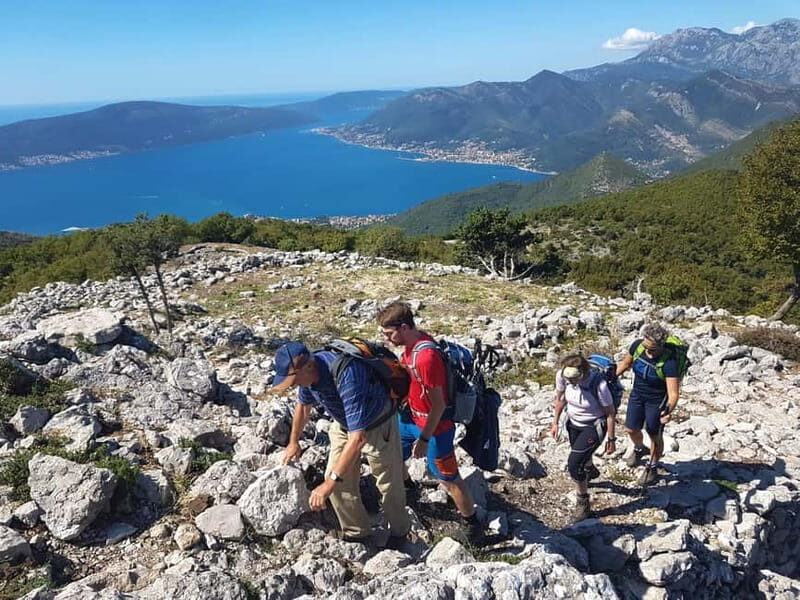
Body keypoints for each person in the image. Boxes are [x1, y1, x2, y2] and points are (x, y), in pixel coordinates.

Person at [274, 341, 411, 544]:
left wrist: (328, 484)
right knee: (337, 480)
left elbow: (358, 439)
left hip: (377, 423)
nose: (293, 385)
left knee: (388, 483)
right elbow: (303, 406)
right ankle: (358, 532)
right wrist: (294, 442)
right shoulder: (308, 378)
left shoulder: (346, 374)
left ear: (309, 366)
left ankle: (400, 533)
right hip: (345, 423)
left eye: (293, 380)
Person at [376, 301, 484, 543]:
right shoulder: (413, 344)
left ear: (404, 327)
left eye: (389, 333)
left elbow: (439, 404)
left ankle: (473, 525)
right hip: (410, 418)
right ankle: (409, 488)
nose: (387, 339)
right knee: (392, 452)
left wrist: (424, 438)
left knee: (447, 477)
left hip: (435, 428)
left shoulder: (425, 357)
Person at [550, 354, 617, 522]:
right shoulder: (563, 376)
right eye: (568, 379)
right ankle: (590, 470)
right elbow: (560, 399)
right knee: (581, 455)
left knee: (573, 464)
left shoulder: (598, 385)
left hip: (593, 426)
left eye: (574, 379)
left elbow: (610, 413)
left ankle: (583, 503)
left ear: (583, 372)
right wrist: (555, 422)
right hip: (573, 423)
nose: (571, 383)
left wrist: (611, 439)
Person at [616, 323, 680, 486]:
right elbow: (625, 364)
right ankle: (639, 448)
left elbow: (673, 393)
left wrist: (667, 410)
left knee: (654, 434)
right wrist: (608, 378)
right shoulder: (638, 347)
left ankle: (652, 467)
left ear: (661, 346)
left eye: (652, 350)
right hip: (637, 395)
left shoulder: (669, 362)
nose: (648, 353)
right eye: (646, 348)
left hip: (657, 401)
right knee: (631, 428)